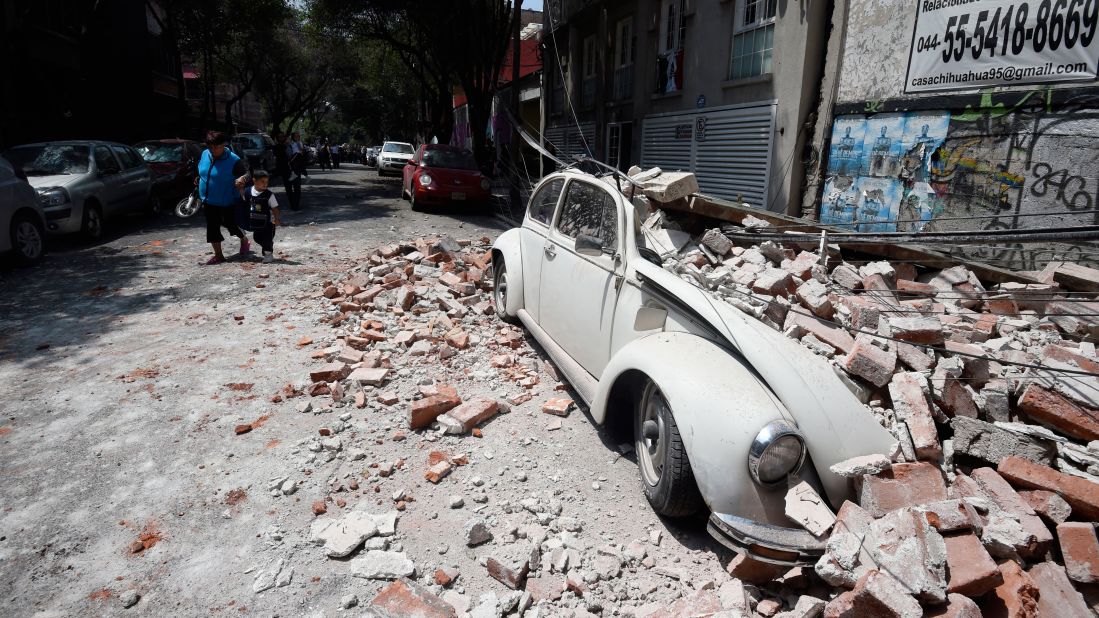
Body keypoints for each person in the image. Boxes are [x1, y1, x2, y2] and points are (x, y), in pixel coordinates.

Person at [197, 131, 250, 264]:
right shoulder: (204, 154)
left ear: (223, 144)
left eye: (216, 146)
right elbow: (203, 170)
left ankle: (244, 239)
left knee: (232, 225)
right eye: (210, 147)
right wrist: (199, 178)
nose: (213, 150)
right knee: (212, 227)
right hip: (208, 200)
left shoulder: (233, 160)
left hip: (227, 200)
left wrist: (242, 178)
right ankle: (219, 255)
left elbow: (249, 173)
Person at [246, 169, 281, 263]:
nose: (265, 184)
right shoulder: (248, 191)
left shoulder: (269, 195)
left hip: (269, 223)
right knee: (256, 238)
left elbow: (275, 208)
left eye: (266, 182)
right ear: (254, 180)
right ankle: (268, 245)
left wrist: (277, 219)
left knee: (267, 238)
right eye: (262, 182)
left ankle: (268, 254)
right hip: (255, 222)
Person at [274, 132, 301, 210]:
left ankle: (296, 205)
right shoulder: (278, 147)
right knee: (288, 189)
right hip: (286, 171)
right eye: (279, 137)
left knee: (297, 188)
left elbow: (300, 154)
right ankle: (293, 204)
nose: (281, 138)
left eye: (283, 137)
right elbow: (279, 159)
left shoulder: (293, 145)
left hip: (295, 170)